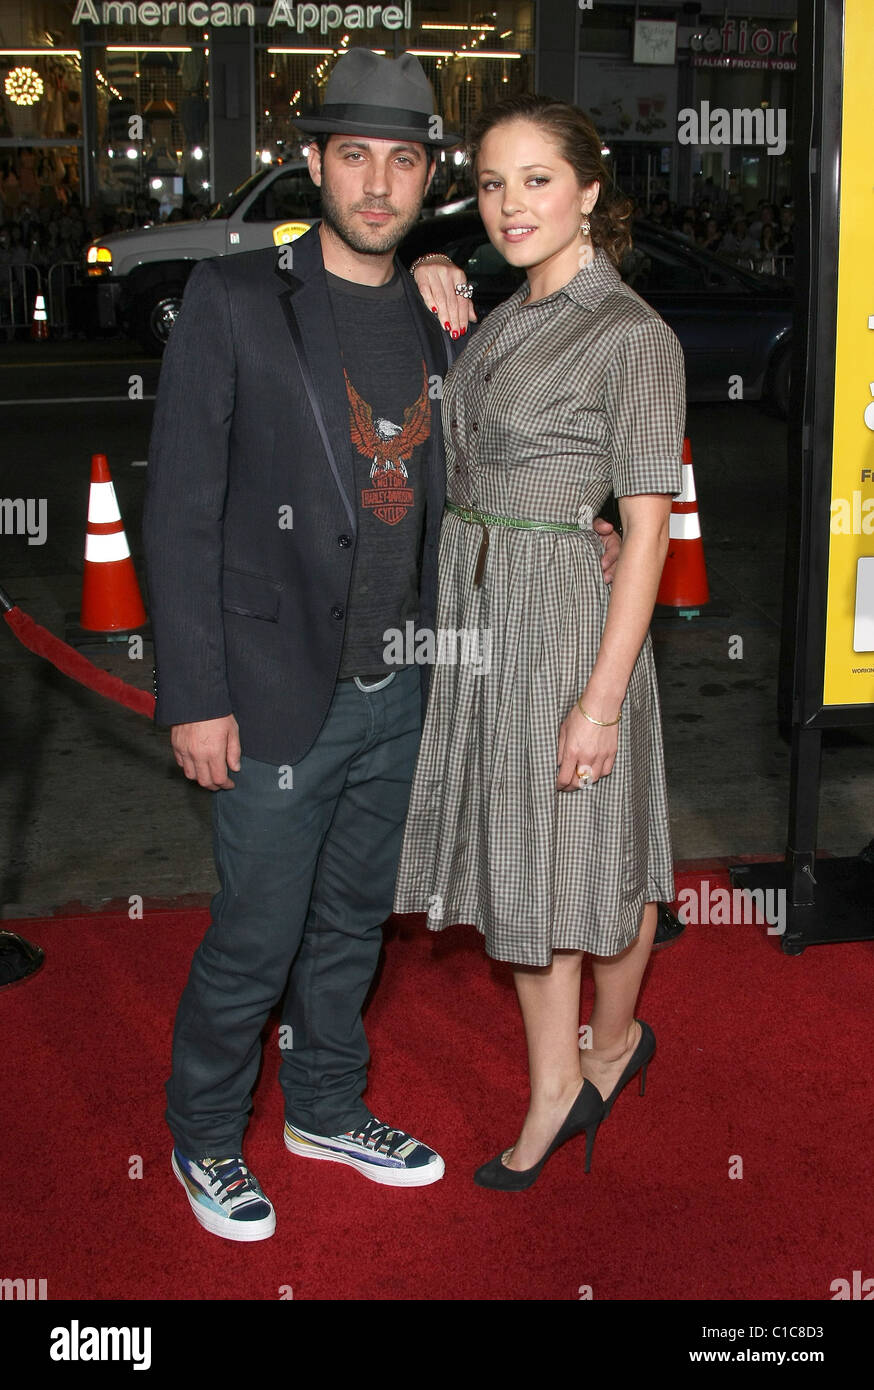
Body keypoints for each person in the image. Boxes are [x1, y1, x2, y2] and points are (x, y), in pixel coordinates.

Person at [142, 50, 625, 1240]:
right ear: (312, 165)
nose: (375, 181)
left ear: (427, 181)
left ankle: (323, 1104)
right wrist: (193, 694)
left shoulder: (446, 309)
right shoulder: (235, 299)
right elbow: (182, 510)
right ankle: (202, 1135)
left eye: (401, 160)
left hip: (407, 683)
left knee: (355, 923)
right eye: (350, 155)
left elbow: (499, 464)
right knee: (256, 934)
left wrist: (584, 528)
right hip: (266, 691)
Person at [394, 93, 686, 1189]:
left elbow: (649, 529)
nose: (509, 204)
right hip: (480, 612)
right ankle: (585, 1061)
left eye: (536, 180)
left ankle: (593, 1057)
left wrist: (602, 699)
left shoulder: (633, 335)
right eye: (490, 182)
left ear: (590, 193)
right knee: (539, 849)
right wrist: (430, 272)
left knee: (579, 846)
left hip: (567, 621)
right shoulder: (502, 315)